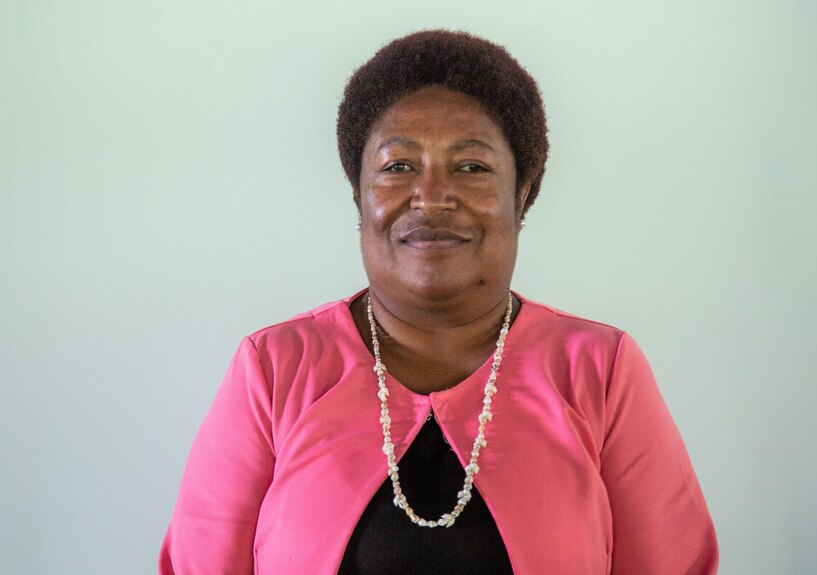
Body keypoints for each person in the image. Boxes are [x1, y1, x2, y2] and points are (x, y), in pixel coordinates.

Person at [159, 30, 719, 574]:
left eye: (471, 166)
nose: (431, 196)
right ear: (359, 192)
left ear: (521, 192)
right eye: (398, 166)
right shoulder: (274, 368)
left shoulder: (601, 370)